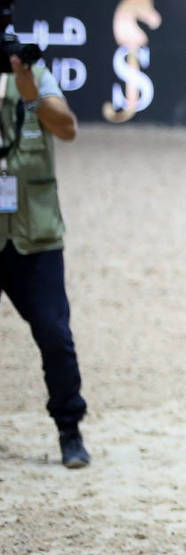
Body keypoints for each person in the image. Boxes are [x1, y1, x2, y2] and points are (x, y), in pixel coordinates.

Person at [0, 50, 89, 468]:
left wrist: (31, 95)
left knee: (55, 336)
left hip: (35, 233)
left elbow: (67, 128)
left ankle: (69, 431)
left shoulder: (35, 74)